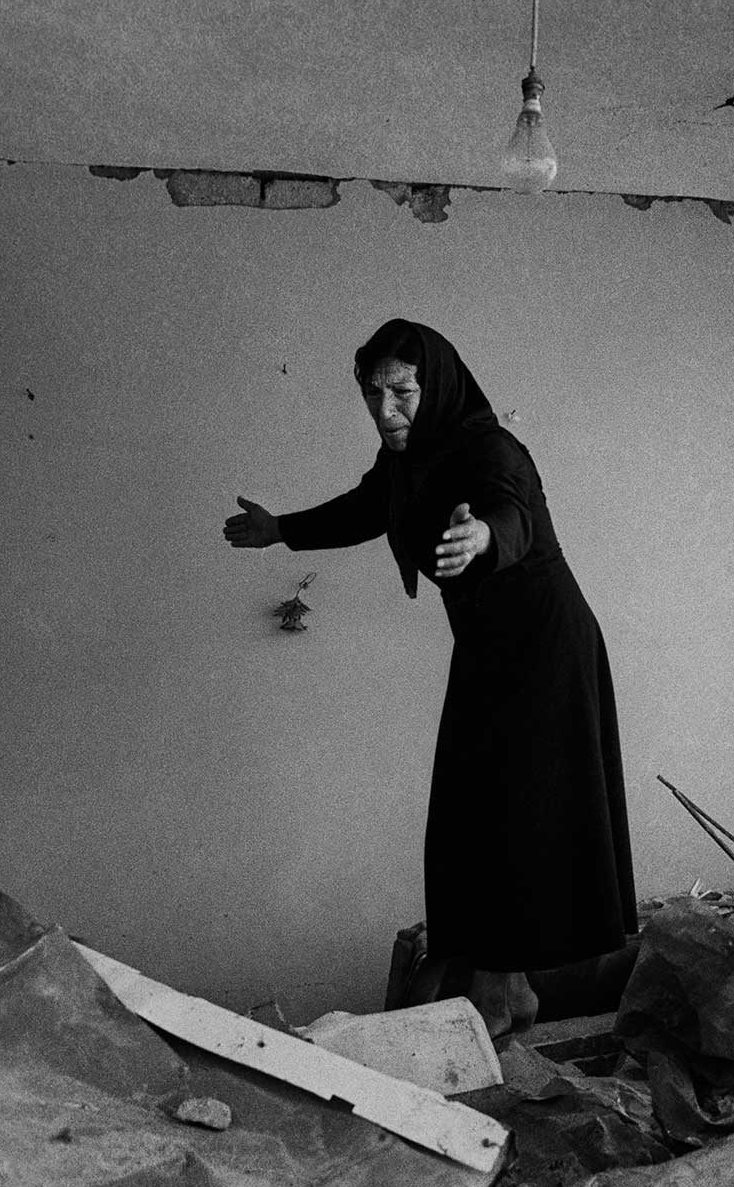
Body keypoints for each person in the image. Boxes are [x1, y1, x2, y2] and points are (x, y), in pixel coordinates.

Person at [223, 318, 636, 1037]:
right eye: (373, 393)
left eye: (404, 392)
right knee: (475, 817)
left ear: (435, 385)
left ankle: (501, 993)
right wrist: (278, 530)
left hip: (542, 648)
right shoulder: (408, 462)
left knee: (518, 817)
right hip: (488, 650)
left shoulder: (488, 445)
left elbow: (513, 513)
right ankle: (503, 989)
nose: (387, 412)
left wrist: (484, 536)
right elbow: (365, 510)